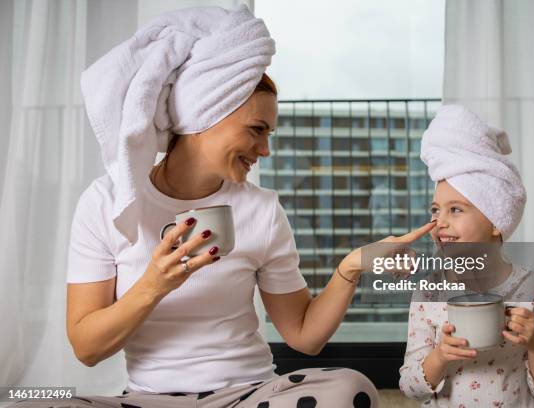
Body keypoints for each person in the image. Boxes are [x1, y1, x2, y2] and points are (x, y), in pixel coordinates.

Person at [10, 5, 435, 408]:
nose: (265, 150)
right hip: (148, 398)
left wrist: (352, 267)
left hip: (248, 395)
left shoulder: (262, 210)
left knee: (350, 388)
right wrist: (154, 284)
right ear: (206, 113)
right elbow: (86, 348)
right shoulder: (106, 204)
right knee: (32, 400)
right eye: (256, 130)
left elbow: (304, 337)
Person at [399, 105, 534, 407]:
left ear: (495, 220)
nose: (439, 223)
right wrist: (439, 356)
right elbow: (410, 387)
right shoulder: (429, 291)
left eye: (456, 209)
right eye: (435, 210)